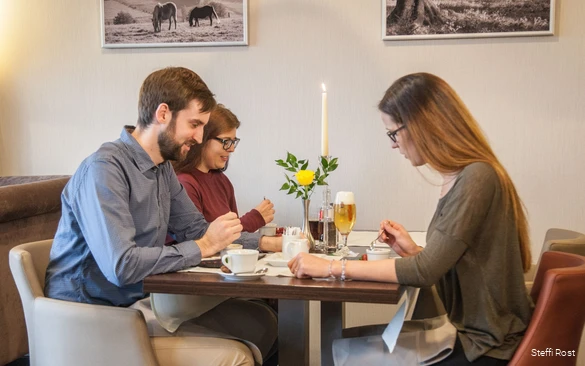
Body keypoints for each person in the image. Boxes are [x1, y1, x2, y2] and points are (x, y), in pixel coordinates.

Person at [288, 73, 533, 365]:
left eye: (394, 133)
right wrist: (415, 252)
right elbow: (456, 264)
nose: (393, 144)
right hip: (472, 336)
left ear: (421, 124)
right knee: (340, 347)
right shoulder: (464, 176)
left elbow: (425, 272)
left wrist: (330, 267)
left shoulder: (476, 178)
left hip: (487, 347)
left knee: (339, 353)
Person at [44, 67, 277, 364]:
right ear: (163, 113)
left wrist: (266, 244)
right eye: (194, 124)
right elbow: (123, 265)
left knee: (261, 322)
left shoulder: (162, 169)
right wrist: (204, 246)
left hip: (134, 304)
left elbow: (195, 228)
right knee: (243, 347)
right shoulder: (104, 170)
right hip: (90, 319)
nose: (199, 136)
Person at [172, 104, 282, 252]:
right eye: (225, 141)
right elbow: (203, 240)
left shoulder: (222, 181)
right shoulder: (185, 183)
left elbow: (234, 240)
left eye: (233, 141)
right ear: (202, 139)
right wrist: (254, 219)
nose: (231, 149)